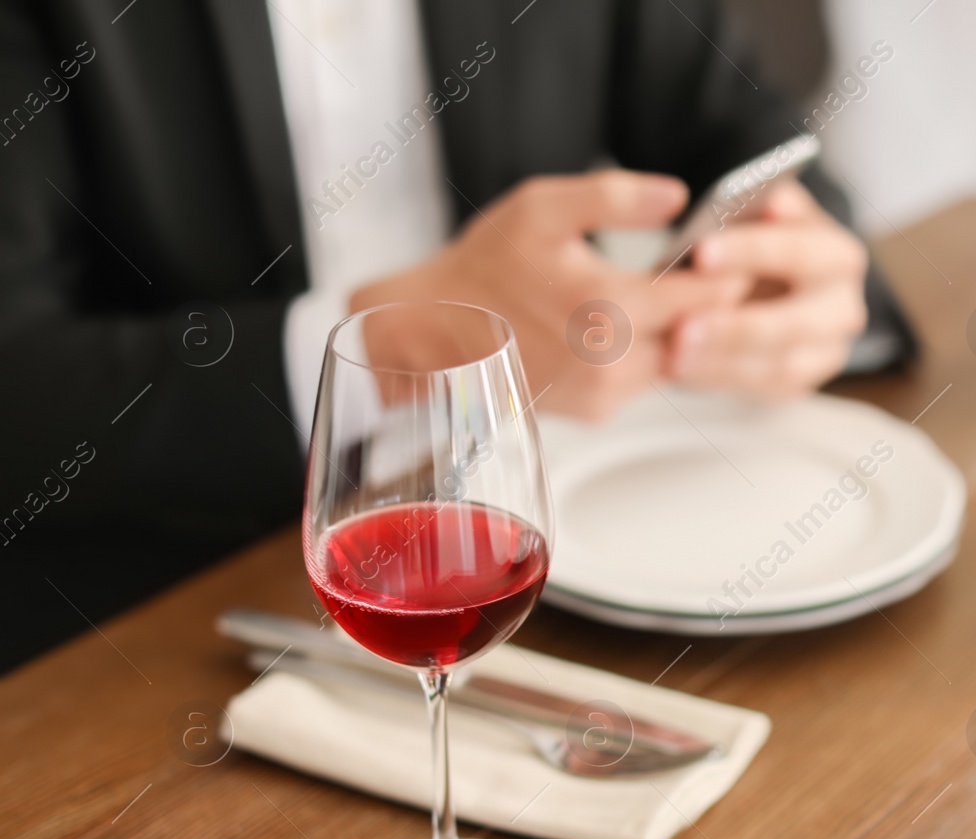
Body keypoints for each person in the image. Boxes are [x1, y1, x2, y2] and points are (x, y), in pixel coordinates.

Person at [0, 0, 914, 668]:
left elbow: (755, 149)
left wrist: (800, 281)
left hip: (564, 549)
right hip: (161, 626)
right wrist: (386, 352)